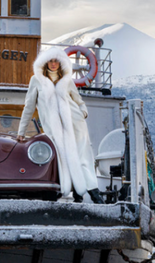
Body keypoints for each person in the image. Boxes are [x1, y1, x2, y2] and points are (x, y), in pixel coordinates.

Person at [17, 49, 99, 203]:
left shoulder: (67, 80)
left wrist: (83, 113)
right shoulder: (36, 80)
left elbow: (79, 101)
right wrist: (21, 131)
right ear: (45, 62)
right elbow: (29, 107)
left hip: (75, 124)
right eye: (50, 61)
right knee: (60, 158)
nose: (54, 64)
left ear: (61, 63)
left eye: (56, 61)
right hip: (53, 129)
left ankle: (91, 194)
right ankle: (64, 190)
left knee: (81, 157)